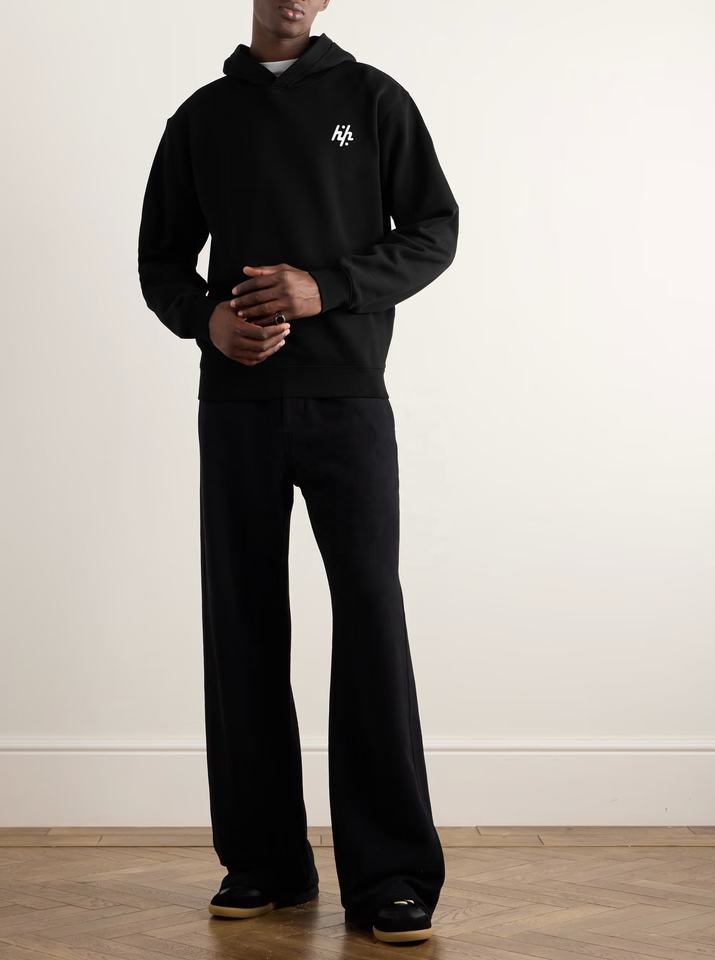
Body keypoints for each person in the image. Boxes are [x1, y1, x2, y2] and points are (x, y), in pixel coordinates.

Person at [137, 0, 459, 945]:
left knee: (369, 619)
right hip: (236, 407)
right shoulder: (201, 117)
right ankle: (264, 862)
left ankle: (391, 875)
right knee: (240, 621)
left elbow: (435, 229)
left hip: (350, 400)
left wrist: (331, 287)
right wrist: (207, 320)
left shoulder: (374, 100)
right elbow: (160, 260)